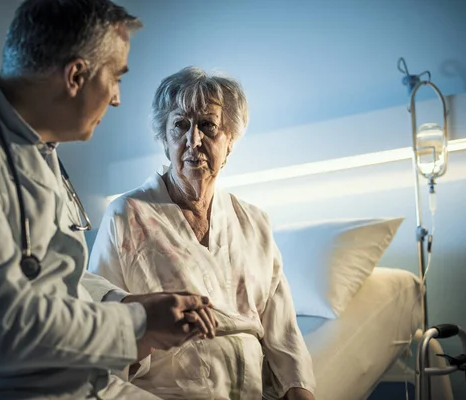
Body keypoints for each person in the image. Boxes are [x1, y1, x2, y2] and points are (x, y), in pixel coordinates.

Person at [0, 1, 217, 399]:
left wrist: (121, 298)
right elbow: (3, 330)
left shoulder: (35, 147)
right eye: (116, 78)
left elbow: (42, 268)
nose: (116, 98)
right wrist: (138, 321)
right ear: (75, 75)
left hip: (67, 376)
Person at [88, 66, 317, 400]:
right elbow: (106, 327)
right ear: (165, 139)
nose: (193, 140)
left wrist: (299, 390)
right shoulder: (128, 214)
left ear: (230, 141)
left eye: (208, 126)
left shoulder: (254, 223)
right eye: (180, 125)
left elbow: (284, 333)